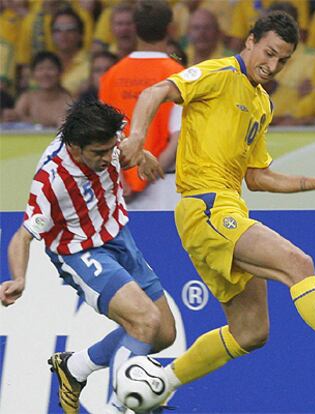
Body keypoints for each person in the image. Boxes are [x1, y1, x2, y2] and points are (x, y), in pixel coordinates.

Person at [121, 10, 315, 409]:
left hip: (225, 210)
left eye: (283, 61)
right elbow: (155, 92)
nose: (272, 66)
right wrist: (138, 136)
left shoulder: (262, 103)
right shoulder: (218, 73)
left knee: (250, 332)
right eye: (269, 53)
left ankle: (158, 384)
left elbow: (257, 176)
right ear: (250, 40)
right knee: (298, 263)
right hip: (205, 208)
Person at [0, 100, 176, 414]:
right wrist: (20, 278)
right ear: (75, 147)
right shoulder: (51, 182)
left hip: (120, 237)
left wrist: (143, 155)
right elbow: (22, 236)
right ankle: (120, 407)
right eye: (100, 153)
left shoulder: (105, 134)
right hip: (81, 252)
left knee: (163, 333)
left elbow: (122, 146)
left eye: (111, 149)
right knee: (145, 320)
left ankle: (76, 367)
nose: (109, 158)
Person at [100, 0, 184, 210]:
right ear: (170, 29)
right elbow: (178, 136)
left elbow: (103, 134)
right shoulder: (179, 75)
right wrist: (145, 175)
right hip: (163, 182)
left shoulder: (111, 75)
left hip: (120, 187)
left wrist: (121, 178)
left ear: (135, 28)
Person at [2, 51, 73, 127]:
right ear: (33, 74)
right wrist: (9, 116)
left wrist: (25, 119)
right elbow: (15, 120)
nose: (45, 73)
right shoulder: (27, 98)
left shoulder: (68, 100)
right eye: (40, 69)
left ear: (60, 72)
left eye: (50, 68)